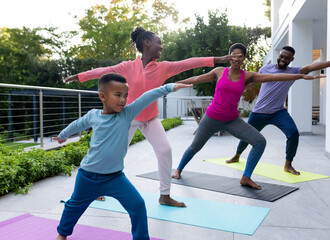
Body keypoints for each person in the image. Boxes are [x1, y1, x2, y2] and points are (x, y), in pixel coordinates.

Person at [64, 27, 238, 207]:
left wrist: (220, 59)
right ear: (147, 43)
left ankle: (164, 195)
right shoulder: (127, 67)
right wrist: (80, 76)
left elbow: (190, 62)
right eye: (159, 43)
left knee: (165, 151)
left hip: (151, 119)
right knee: (111, 152)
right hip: (128, 118)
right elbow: (104, 71)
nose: (161, 47)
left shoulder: (164, 68)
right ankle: (97, 188)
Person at [53, 73, 191, 240]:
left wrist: (169, 87)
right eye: (118, 95)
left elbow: (147, 96)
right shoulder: (93, 115)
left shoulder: (127, 114)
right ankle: (62, 234)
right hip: (88, 176)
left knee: (138, 205)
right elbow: (78, 124)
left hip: (114, 178)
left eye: (125, 95)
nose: (123, 100)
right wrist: (63, 135)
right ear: (102, 96)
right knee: (74, 206)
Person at [171, 43, 324, 190]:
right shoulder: (219, 71)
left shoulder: (248, 76)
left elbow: (275, 77)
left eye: (240, 56)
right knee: (195, 147)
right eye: (233, 55)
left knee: (259, 142)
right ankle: (178, 169)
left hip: (232, 120)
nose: (236, 59)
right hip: (211, 118)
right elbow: (197, 79)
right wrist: (171, 85)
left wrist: (300, 76)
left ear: (244, 58)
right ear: (229, 57)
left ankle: (246, 177)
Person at [227, 46, 330, 175]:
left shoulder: (294, 72)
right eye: (281, 56)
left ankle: (288, 165)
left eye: (287, 58)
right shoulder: (265, 69)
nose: (283, 59)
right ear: (278, 55)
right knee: (246, 135)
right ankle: (237, 155)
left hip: (278, 112)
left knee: (293, 133)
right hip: (259, 112)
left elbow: (311, 67)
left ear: (291, 59)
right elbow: (252, 83)